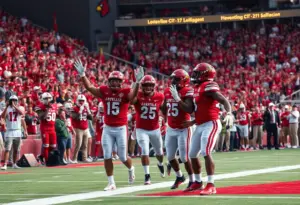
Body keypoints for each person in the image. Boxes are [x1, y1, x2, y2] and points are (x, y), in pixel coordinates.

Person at [74, 59, 144, 191]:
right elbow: (90, 88)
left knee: (123, 156)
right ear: (109, 81)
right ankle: (111, 183)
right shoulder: (104, 90)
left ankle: (131, 168)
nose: (114, 83)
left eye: (117, 81)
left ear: (121, 82)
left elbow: (132, 97)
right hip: (107, 127)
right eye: (112, 80)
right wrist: (83, 75)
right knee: (107, 155)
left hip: (121, 128)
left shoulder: (125, 92)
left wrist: (137, 83)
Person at [183, 63, 232, 195]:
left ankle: (211, 184)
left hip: (211, 123)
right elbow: (201, 109)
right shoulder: (197, 87)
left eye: (198, 73)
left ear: (205, 74)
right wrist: (193, 121)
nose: (195, 75)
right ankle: (198, 182)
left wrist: (229, 112)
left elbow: (223, 100)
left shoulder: (208, 85)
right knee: (192, 154)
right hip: (200, 124)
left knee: (205, 152)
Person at [162, 69, 195, 191]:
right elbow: (165, 108)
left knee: (185, 157)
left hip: (183, 128)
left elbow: (189, 109)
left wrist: (177, 99)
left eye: (176, 79)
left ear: (184, 80)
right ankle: (179, 177)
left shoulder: (187, 91)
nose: (173, 81)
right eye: (172, 79)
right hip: (171, 127)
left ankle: (192, 180)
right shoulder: (167, 91)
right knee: (170, 156)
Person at [132, 75, 165, 185]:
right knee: (145, 151)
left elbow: (163, 110)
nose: (147, 88)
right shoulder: (138, 95)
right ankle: (147, 175)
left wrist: (163, 119)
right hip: (141, 129)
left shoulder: (160, 96)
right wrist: (136, 82)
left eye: (150, 85)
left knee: (159, 152)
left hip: (155, 129)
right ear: (142, 86)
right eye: (145, 85)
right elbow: (131, 100)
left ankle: (160, 163)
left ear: (153, 86)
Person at [1, 95, 25, 170]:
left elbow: (21, 113)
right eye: (12, 100)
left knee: (16, 149)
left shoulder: (19, 107)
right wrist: (7, 107)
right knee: (7, 149)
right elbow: (2, 116)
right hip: (9, 131)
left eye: (15, 100)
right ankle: (5, 164)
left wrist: (15, 106)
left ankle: (14, 163)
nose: (13, 102)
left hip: (17, 131)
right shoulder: (7, 109)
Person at [35, 92, 58, 164]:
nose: (47, 100)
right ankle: (47, 161)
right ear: (42, 99)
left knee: (53, 146)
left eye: (48, 98)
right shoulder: (40, 107)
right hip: (45, 128)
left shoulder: (54, 106)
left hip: (52, 128)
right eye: (46, 98)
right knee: (46, 146)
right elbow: (42, 117)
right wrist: (47, 109)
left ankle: (42, 156)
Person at [71, 94, 93, 163]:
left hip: (85, 128)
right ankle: (74, 159)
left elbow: (91, 118)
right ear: (77, 101)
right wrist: (80, 111)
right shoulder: (74, 108)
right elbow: (74, 117)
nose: (81, 102)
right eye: (80, 101)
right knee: (78, 144)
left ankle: (84, 158)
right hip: (78, 128)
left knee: (85, 145)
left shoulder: (85, 108)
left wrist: (88, 110)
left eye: (82, 101)